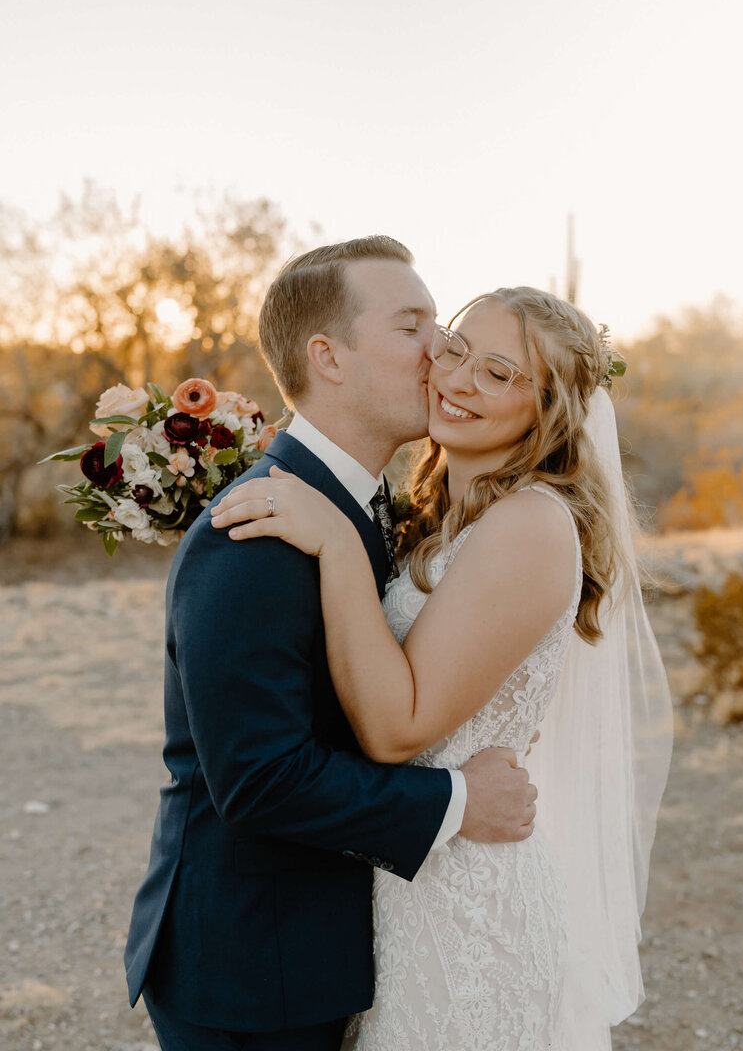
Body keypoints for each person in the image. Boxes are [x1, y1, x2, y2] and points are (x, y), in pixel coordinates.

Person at [212, 284, 674, 1049]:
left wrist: (333, 543)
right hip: (404, 875)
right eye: (456, 350)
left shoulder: (529, 524)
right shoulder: (443, 513)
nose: (458, 379)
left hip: (469, 906)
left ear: (549, 412)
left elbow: (398, 729)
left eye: (499, 374)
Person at [124, 237, 538, 1051]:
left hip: (319, 945)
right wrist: (459, 802)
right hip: (252, 971)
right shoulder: (255, 529)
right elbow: (261, 778)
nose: (441, 351)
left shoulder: (357, 509)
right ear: (329, 357)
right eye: (412, 327)